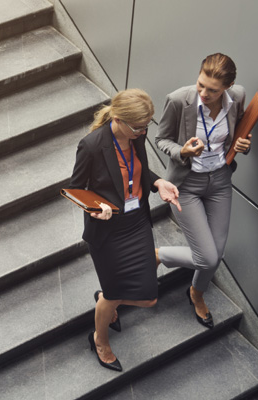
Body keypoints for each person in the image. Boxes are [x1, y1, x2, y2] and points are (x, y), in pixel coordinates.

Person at [69, 89, 181, 372]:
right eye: (139, 127)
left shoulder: (136, 135)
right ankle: (100, 338)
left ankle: (105, 300)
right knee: (114, 294)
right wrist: (96, 207)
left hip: (136, 224)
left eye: (146, 125)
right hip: (107, 233)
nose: (144, 131)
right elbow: (75, 190)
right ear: (118, 119)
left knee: (149, 297)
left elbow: (140, 171)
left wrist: (158, 183)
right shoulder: (92, 145)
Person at [154, 53, 251, 329]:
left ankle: (195, 292)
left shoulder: (238, 97)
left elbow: (240, 132)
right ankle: (158, 256)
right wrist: (182, 150)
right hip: (186, 184)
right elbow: (161, 139)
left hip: (220, 181)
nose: (204, 93)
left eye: (213, 90)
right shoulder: (178, 100)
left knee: (215, 255)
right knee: (207, 257)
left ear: (229, 87)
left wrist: (244, 145)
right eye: (201, 85)